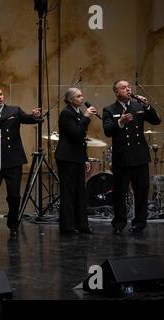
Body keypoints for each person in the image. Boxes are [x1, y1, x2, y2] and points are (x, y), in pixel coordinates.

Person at [0, 86, 41, 238]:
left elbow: (29, 119)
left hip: (13, 159)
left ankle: (13, 224)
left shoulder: (14, 110)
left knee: (14, 196)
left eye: (0, 94)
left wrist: (35, 116)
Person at [103, 80, 161, 234]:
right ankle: (119, 224)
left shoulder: (138, 106)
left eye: (129, 87)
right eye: (124, 88)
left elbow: (156, 121)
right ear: (116, 92)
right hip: (121, 158)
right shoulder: (109, 109)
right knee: (120, 192)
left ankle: (139, 223)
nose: (128, 89)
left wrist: (147, 106)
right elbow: (107, 131)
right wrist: (120, 122)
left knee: (142, 191)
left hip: (140, 156)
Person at [55, 88, 98, 234]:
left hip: (77, 157)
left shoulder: (78, 113)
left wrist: (85, 159)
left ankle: (82, 225)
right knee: (68, 192)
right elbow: (75, 133)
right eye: (78, 96)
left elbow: (81, 140)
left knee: (81, 191)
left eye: (82, 95)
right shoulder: (66, 113)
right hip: (66, 158)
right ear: (70, 99)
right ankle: (68, 227)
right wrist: (86, 117)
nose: (82, 98)